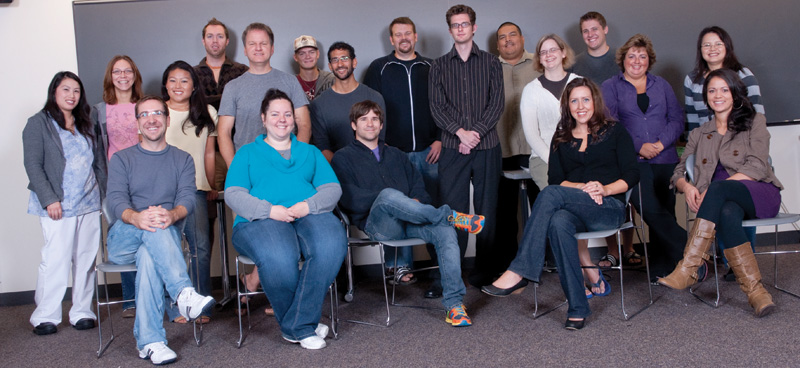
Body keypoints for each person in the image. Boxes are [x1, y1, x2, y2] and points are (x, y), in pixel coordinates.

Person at [483, 78, 639, 330]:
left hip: (609, 207)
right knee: (557, 221)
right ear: (566, 105)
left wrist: (604, 188)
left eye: (585, 99)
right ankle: (578, 307)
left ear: (595, 101)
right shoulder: (561, 137)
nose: (580, 106)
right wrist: (584, 188)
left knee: (551, 196)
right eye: (574, 100)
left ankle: (520, 270)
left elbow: (632, 175)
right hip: (577, 208)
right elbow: (556, 180)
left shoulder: (614, 131)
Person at [331, 100, 482, 326]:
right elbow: (348, 198)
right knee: (389, 195)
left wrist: (414, 202)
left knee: (445, 232)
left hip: (411, 220)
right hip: (379, 224)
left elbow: (418, 188)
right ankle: (449, 214)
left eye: (374, 119)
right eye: (364, 119)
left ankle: (454, 305)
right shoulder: (343, 158)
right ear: (354, 125)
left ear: (381, 125)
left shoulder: (397, 155)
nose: (370, 124)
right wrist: (392, 200)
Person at [225, 89, 346, 349]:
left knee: (331, 242)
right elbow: (233, 194)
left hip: (307, 214)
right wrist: (269, 211)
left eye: (288, 114)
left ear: (295, 119)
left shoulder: (310, 152)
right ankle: (303, 327)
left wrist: (308, 205)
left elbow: (332, 188)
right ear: (263, 118)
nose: (282, 119)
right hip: (258, 221)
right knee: (279, 255)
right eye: (275, 114)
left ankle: (297, 324)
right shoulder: (247, 153)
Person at [658, 68, 781, 317]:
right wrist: (688, 187)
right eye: (712, 90)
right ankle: (757, 292)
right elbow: (678, 173)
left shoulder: (754, 121)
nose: (718, 95)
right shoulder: (699, 133)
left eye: (724, 89)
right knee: (725, 210)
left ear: (735, 94)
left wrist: (717, 188)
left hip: (757, 193)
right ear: (706, 97)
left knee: (720, 191)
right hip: (720, 201)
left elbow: (758, 165)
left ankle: (690, 266)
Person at [106, 96, 215, 365]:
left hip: (160, 240)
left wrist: (171, 214)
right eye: (144, 115)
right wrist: (137, 217)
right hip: (123, 238)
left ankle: (151, 343)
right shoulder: (122, 159)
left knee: (149, 255)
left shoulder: (182, 159)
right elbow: (116, 200)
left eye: (157, 113)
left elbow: (187, 199)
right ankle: (182, 292)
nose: (151, 119)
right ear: (137, 124)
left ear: (167, 121)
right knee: (151, 226)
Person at [24, 71, 106, 336]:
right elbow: (33, 165)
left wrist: (103, 194)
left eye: (76, 91)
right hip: (57, 204)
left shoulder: (87, 120)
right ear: (54, 92)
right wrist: (49, 199)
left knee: (85, 260)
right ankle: (45, 315)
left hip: (89, 201)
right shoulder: (38, 123)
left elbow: (98, 161)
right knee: (55, 259)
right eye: (65, 90)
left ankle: (82, 311)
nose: (71, 95)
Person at [429, 4, 504, 287]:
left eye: (465, 24)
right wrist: (461, 133)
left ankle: (484, 273)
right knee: (453, 213)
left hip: (487, 147)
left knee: (487, 212)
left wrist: (475, 135)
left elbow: (496, 104)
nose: (460, 29)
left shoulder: (491, 62)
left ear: (474, 27)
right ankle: (450, 274)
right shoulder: (437, 66)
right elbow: (437, 107)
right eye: (455, 25)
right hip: (451, 147)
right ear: (450, 30)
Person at [363, 17, 440, 288]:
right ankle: (398, 266)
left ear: (415, 36)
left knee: (430, 204)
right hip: (393, 153)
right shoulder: (378, 68)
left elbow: (444, 105)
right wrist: (380, 147)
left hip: (430, 151)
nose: (403, 38)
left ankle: (440, 263)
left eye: (408, 33)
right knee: (397, 209)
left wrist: (441, 139)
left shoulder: (431, 66)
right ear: (391, 39)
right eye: (398, 34)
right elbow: (370, 110)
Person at [601, 34, 686, 279]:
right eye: (632, 56)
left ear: (649, 60)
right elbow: (610, 124)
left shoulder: (662, 85)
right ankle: (690, 250)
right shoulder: (611, 86)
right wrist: (639, 146)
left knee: (667, 210)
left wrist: (660, 143)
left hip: (666, 157)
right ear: (623, 60)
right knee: (649, 208)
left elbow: (676, 119)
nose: (637, 61)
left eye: (642, 56)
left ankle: (664, 268)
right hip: (633, 161)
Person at [161, 60, 219, 324]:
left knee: (201, 249)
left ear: (194, 85)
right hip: (163, 192)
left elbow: (209, 152)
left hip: (195, 189)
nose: (178, 86)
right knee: (170, 250)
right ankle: (174, 307)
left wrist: (210, 184)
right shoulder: (158, 112)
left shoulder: (206, 112)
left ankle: (200, 305)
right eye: (172, 80)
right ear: (165, 84)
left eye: (184, 80)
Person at [91, 55, 144, 319]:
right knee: (123, 238)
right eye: (117, 72)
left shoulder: (144, 105)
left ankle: (153, 294)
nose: (122, 76)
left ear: (135, 75)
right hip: (116, 184)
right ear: (110, 77)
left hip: (144, 181)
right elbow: (96, 150)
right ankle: (130, 300)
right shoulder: (99, 110)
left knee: (148, 234)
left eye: (127, 71)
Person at [218, 22, 310, 167]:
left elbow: (304, 125)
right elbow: (223, 132)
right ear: (245, 50)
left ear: (272, 49)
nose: (258, 48)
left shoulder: (290, 82)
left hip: (286, 164)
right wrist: (235, 168)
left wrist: (295, 160)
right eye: (252, 44)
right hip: (248, 165)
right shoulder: (232, 88)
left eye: (263, 43)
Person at [493, 21, 540, 283]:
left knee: (542, 205)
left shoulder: (539, 62)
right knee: (505, 211)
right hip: (502, 147)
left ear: (522, 38)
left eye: (513, 35)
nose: (508, 40)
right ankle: (509, 263)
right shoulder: (489, 67)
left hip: (537, 149)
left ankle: (545, 259)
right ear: (497, 44)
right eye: (502, 37)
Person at [520, 34, 580, 191]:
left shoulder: (579, 84)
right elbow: (532, 135)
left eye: (553, 49)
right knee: (558, 198)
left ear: (563, 52)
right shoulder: (531, 90)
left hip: (578, 157)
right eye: (543, 52)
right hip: (543, 159)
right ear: (539, 59)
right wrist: (555, 160)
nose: (548, 55)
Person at [310, 41, 386, 161]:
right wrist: (344, 168)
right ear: (330, 66)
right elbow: (322, 147)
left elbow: (380, 141)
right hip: (337, 171)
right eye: (335, 60)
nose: (340, 64)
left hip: (371, 167)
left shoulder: (374, 97)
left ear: (354, 62)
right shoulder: (319, 104)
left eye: (344, 58)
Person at [684, 26, 765, 132]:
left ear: (727, 47)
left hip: (738, 141)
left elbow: (757, 114)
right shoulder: (692, 80)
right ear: (700, 49)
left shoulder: (744, 75)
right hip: (706, 142)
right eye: (707, 45)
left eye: (718, 44)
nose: (712, 49)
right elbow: (692, 118)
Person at [194, 18, 248, 111]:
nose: (215, 40)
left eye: (220, 36)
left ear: (227, 41)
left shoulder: (242, 72)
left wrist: (205, 100)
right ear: (203, 41)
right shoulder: (192, 74)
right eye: (210, 36)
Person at [570, 11, 618, 85]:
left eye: (594, 29)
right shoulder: (574, 65)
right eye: (585, 31)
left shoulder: (622, 59)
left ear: (605, 29)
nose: (590, 34)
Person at [293, 35, 334, 101]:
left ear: (317, 54)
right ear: (295, 57)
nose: (307, 57)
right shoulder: (291, 84)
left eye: (311, 52)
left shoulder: (331, 80)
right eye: (302, 54)